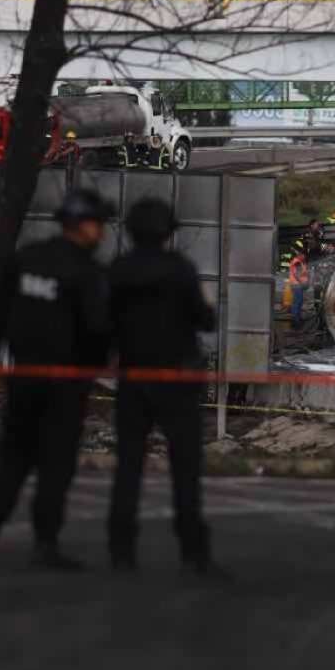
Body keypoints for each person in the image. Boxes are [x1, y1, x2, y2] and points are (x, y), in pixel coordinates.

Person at [0, 188, 113, 570]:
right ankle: (45, 542)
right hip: (65, 385)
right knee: (55, 465)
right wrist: (94, 367)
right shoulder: (87, 274)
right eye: (97, 224)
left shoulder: (26, 260)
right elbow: (98, 330)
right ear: (81, 225)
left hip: (23, 377)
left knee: (13, 459)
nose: (100, 232)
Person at [107, 197, 218, 573]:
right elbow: (206, 321)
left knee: (128, 468)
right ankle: (193, 552)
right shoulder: (180, 270)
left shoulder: (118, 271)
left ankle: (121, 552)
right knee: (185, 469)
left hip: (133, 379)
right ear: (168, 232)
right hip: (176, 381)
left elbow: (103, 323)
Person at [287, 244, 309, 330]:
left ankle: (298, 319)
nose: (304, 257)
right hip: (297, 285)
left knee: (299, 302)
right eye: (304, 255)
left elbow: (302, 273)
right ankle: (295, 322)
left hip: (298, 285)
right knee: (297, 303)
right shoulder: (297, 262)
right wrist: (301, 282)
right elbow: (296, 274)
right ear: (300, 255)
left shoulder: (300, 262)